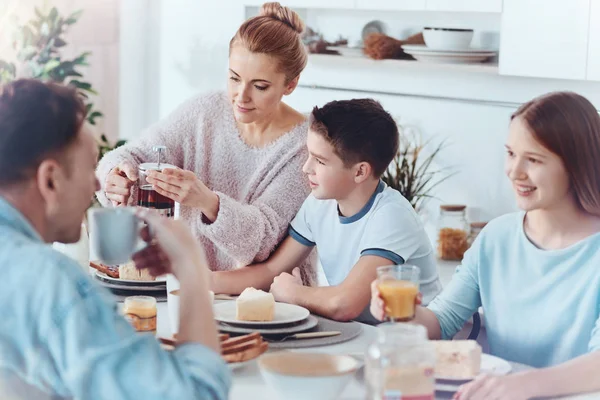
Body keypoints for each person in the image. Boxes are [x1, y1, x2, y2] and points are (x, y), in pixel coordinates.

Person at [0, 79, 229, 399]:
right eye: (91, 167)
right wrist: (192, 270)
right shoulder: (51, 283)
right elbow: (194, 394)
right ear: (50, 179)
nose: (97, 185)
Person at [370, 91, 600, 400]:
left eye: (533, 159)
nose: (514, 172)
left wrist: (524, 384)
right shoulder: (497, 238)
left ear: (576, 165)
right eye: (510, 153)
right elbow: (441, 321)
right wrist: (403, 314)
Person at [96, 2, 315, 283]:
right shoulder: (204, 111)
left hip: (273, 302)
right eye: (234, 78)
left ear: (290, 84)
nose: (241, 96)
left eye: (260, 86)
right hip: (191, 285)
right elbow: (133, 155)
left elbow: (262, 244)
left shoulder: (305, 146)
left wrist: (208, 202)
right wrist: (115, 176)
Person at [210, 99, 442, 322]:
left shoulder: (391, 216)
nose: (305, 167)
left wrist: (293, 293)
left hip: (416, 344)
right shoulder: (319, 203)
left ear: (360, 172)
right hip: (363, 336)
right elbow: (271, 270)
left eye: (320, 161)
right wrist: (203, 280)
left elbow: (345, 304)